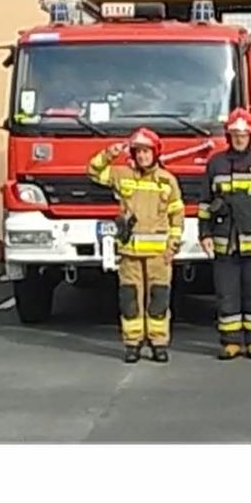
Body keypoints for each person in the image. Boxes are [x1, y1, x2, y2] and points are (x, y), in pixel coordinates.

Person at [88, 128, 185, 364]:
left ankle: (158, 344)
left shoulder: (167, 181)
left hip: (158, 256)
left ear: (155, 153)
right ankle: (132, 344)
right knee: (129, 300)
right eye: (138, 152)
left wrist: (172, 246)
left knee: (158, 300)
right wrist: (109, 154)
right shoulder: (122, 175)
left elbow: (177, 216)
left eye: (146, 151)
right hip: (129, 253)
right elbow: (93, 171)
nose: (142, 156)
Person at [201, 109, 251, 360]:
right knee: (227, 294)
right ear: (229, 136)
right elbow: (205, 202)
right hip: (224, 241)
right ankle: (231, 342)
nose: (239, 138)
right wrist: (204, 234)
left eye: (243, 134)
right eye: (235, 134)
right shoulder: (216, 164)